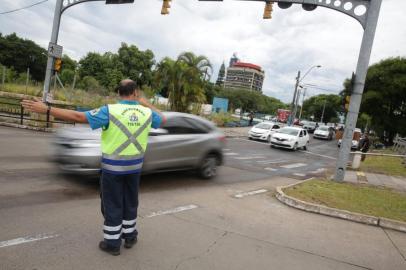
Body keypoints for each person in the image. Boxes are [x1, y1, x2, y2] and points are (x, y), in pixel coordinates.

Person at [21, 79, 165, 256]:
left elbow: (77, 117)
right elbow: (163, 118)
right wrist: (145, 103)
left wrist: (48, 109)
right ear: (135, 92)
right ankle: (130, 237)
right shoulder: (146, 113)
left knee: (112, 204)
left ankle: (112, 243)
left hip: (112, 170)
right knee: (130, 202)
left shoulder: (110, 110)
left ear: (118, 93)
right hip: (134, 169)